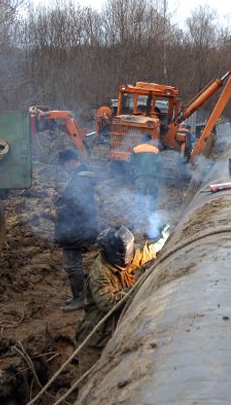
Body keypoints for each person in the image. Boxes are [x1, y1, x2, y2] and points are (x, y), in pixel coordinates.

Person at [75, 226, 162, 374]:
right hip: (97, 332)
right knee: (90, 375)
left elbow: (142, 253)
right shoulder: (100, 274)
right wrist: (138, 287)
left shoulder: (122, 257)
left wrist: (161, 241)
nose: (129, 254)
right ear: (115, 253)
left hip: (114, 323)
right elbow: (109, 303)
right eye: (125, 252)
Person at [54, 149, 99, 312]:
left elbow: (75, 206)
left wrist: (55, 211)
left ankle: (79, 299)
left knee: (72, 265)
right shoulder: (81, 177)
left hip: (75, 228)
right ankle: (78, 296)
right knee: (73, 263)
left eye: (65, 165)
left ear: (71, 161)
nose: (65, 169)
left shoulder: (79, 180)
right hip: (80, 226)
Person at [130, 134, 162, 238]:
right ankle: (152, 212)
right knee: (153, 195)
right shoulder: (155, 150)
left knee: (141, 195)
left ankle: (143, 214)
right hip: (152, 177)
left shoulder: (136, 149)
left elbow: (130, 162)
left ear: (141, 139)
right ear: (150, 141)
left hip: (140, 177)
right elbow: (160, 164)